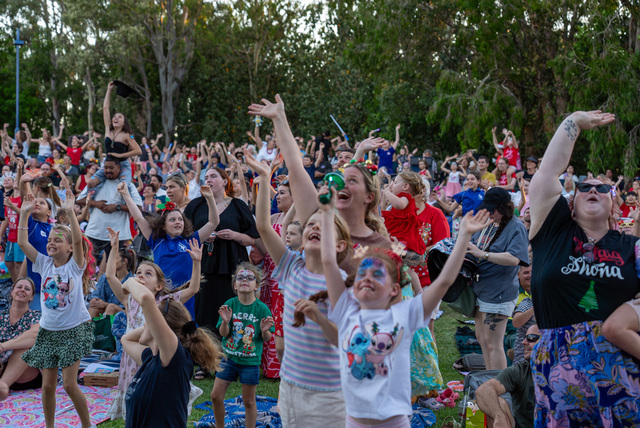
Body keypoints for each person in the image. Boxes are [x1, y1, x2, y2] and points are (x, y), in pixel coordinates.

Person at [320, 183, 490, 427]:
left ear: (394, 289)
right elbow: (328, 259)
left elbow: (443, 282)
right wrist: (328, 211)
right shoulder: (346, 311)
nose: (367, 278)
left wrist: (463, 237)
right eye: (362, 274)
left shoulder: (404, 314)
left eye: (377, 275)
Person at [529, 110, 640, 426]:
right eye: (585, 187)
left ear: (614, 206)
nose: (593, 190)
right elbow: (546, 175)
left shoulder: (630, 247)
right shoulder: (552, 232)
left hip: (622, 382)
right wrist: (574, 121)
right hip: (557, 379)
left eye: (603, 189)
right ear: (571, 203)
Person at [245, 142, 351, 426]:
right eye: (310, 226)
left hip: (327, 392)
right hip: (290, 386)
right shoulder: (291, 266)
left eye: (322, 225)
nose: (314, 227)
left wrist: (318, 317)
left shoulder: (340, 281)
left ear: (339, 244)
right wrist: (264, 179)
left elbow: (344, 339)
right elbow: (263, 226)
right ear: (302, 241)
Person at [105, 228, 205, 421]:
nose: (141, 276)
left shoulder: (166, 302)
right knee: (135, 397)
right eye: (138, 273)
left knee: (155, 398)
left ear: (159, 285)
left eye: (148, 273)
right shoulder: (129, 300)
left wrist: (196, 261)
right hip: (133, 355)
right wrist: (114, 247)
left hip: (156, 356)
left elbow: (193, 288)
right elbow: (110, 276)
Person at [18, 191, 96, 428]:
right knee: (47, 386)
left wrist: (71, 212)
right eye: (50, 239)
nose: (51, 243)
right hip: (48, 332)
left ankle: (87, 425)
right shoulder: (43, 263)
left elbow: (79, 241)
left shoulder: (75, 266)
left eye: (58, 240)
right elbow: (23, 243)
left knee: (70, 385)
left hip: (73, 330)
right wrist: (24, 214)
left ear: (70, 247)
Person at [121, 278, 223, 428]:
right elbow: (126, 339)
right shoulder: (151, 359)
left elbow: (146, 298)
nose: (144, 322)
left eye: (147, 318)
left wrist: (129, 282)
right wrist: (152, 327)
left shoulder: (174, 359)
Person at [117, 181, 218, 319]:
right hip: (161, 294)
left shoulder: (191, 240)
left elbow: (213, 222)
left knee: (184, 327)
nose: (178, 222)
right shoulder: (157, 241)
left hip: (185, 295)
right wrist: (126, 194)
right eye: (172, 220)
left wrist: (210, 198)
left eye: (180, 219)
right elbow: (139, 218)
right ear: (163, 226)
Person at [184, 167, 259, 335]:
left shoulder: (238, 205)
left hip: (230, 268)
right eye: (206, 177)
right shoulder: (196, 205)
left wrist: (234, 235)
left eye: (213, 176)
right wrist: (203, 236)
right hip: (203, 267)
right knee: (204, 312)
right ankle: (205, 347)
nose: (208, 180)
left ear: (225, 181)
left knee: (230, 312)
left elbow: (252, 239)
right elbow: (185, 236)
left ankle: (230, 346)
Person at [466, 187, 529, 370]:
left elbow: (514, 258)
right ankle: (489, 379)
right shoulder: (489, 223)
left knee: (493, 343)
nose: (489, 212)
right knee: (482, 339)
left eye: (492, 209)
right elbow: (473, 246)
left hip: (499, 293)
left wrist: (483, 254)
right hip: (480, 289)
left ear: (504, 208)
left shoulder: (516, 227)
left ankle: (499, 384)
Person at [211, 263, 275, 428]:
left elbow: (267, 338)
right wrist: (225, 322)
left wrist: (264, 331)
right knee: (216, 397)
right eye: (240, 277)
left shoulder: (262, 309)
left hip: (250, 362)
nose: (244, 280)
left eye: (249, 278)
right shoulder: (230, 305)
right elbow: (223, 334)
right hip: (229, 359)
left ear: (256, 285)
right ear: (235, 285)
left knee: (249, 402)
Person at [77, 158, 142, 270]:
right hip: (94, 232)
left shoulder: (127, 185)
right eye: (106, 167)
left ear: (119, 169)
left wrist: (117, 207)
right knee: (87, 264)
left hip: (117, 235)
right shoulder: (97, 183)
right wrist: (96, 203)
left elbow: (139, 208)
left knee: (114, 268)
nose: (108, 170)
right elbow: (79, 200)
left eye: (111, 168)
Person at [476, 324, 540, 428]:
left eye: (531, 338)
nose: (524, 342)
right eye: (525, 338)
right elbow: (483, 391)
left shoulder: (565, 373)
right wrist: (499, 417)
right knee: (497, 403)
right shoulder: (521, 370)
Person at [87, 82, 141, 190]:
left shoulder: (127, 135)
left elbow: (138, 151)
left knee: (123, 187)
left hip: (122, 165)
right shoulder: (108, 129)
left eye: (119, 117)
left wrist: (121, 155)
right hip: (108, 165)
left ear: (124, 123)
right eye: (115, 116)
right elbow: (105, 108)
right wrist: (109, 90)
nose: (116, 118)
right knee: (90, 183)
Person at [0, 278, 42, 400]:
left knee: (24, 349)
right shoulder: (1, 316)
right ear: (12, 291)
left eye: (27, 289)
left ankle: (2, 386)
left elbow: (35, 336)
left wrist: (4, 346)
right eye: (19, 287)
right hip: (2, 366)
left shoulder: (36, 316)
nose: (22, 290)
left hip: (26, 372)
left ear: (31, 297)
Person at [381, 172, 426, 256]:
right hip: (398, 235)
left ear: (405, 186)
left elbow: (400, 205)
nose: (392, 185)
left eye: (395, 182)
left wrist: (387, 193)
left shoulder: (405, 197)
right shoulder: (400, 198)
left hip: (404, 238)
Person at [88, 248, 136, 318]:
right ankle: (86, 325)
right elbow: (96, 293)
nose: (112, 262)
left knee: (111, 307)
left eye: (115, 258)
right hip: (105, 309)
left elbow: (127, 306)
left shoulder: (132, 282)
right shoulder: (104, 277)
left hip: (124, 314)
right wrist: (94, 300)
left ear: (124, 261)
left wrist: (105, 304)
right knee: (94, 308)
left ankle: (107, 325)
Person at [511, 266, 535, 365]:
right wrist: (537, 306)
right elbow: (516, 322)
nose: (530, 275)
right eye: (526, 272)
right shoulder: (528, 302)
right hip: (523, 361)